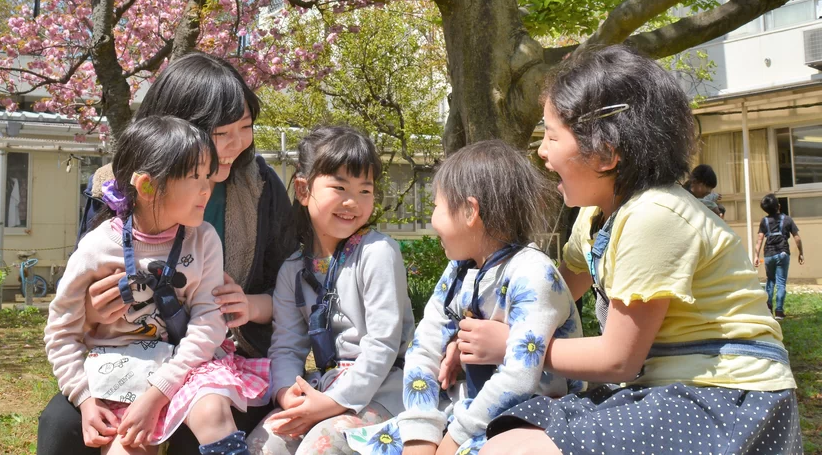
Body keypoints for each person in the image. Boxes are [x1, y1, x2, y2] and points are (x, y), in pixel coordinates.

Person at [455, 46, 799, 455]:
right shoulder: (596, 218)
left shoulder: (654, 216)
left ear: (604, 152)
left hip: (726, 399)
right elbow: (550, 296)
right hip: (665, 388)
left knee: (510, 451)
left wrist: (513, 345)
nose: (542, 152)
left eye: (550, 135)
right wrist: (466, 337)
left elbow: (618, 359)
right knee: (505, 433)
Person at [38, 52, 296, 455]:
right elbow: (75, 298)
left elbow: (290, 287)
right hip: (124, 353)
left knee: (201, 426)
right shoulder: (116, 185)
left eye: (244, 128)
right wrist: (92, 310)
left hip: (217, 357)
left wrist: (252, 304)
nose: (234, 145)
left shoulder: (260, 187)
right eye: (219, 132)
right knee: (62, 428)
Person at [346, 140, 583, 455]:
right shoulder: (459, 270)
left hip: (530, 421)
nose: (432, 220)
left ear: (471, 211)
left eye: (436, 206)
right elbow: (424, 349)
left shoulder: (533, 276)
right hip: (466, 416)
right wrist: (421, 434)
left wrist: (451, 440)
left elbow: (519, 378)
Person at [246, 125, 415, 454]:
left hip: (383, 391)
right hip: (321, 389)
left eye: (365, 190)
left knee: (321, 446)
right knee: (262, 445)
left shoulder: (378, 252)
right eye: (340, 187)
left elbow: (383, 345)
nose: (353, 202)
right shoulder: (293, 269)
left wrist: (332, 403)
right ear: (303, 190)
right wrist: (286, 394)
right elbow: (287, 348)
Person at [755, 194, 804, 320]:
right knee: (781, 282)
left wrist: (756, 255)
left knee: (770, 280)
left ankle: (768, 309)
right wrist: (801, 252)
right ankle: (779, 312)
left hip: (768, 254)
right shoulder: (787, 219)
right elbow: (797, 238)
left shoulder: (764, 221)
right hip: (783, 253)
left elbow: (759, 240)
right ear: (779, 206)